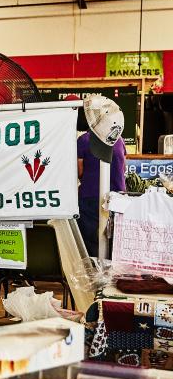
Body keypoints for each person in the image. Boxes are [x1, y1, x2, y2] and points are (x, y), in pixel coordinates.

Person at [77, 96, 127, 258]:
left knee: (92, 241)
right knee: (115, 240)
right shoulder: (119, 140)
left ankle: (96, 274)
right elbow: (123, 167)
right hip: (119, 197)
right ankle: (111, 274)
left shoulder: (84, 140)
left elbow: (79, 172)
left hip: (91, 197)